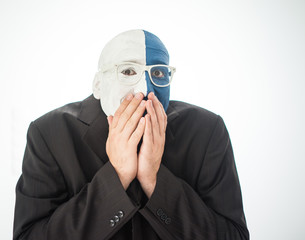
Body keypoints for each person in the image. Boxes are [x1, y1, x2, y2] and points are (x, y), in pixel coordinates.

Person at [13, 29, 249, 240]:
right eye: (128, 71)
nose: (145, 90)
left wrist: (155, 181)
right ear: (98, 84)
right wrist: (116, 176)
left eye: (158, 73)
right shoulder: (49, 134)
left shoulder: (207, 131)